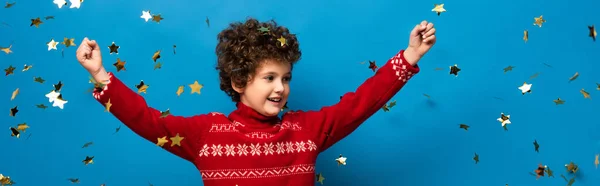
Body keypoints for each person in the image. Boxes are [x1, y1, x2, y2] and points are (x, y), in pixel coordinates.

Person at [75, 18, 436, 186]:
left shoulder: (305, 131)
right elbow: (148, 121)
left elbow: (360, 104)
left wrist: (408, 57)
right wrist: (101, 75)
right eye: (269, 78)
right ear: (238, 81)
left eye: (286, 78)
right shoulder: (207, 134)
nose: (281, 88)